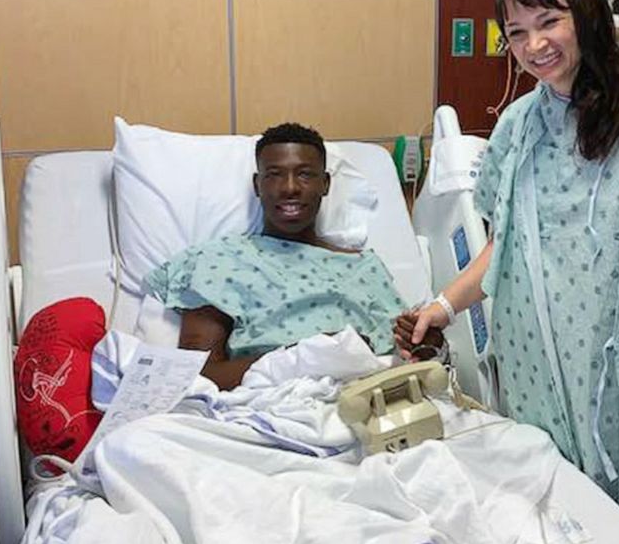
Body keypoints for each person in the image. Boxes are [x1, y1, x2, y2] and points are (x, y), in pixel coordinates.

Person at [397, 0, 619, 544]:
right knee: (563, 520)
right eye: (516, 32)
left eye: (549, 21)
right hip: (542, 365)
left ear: (585, 14)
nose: (535, 44)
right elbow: (501, 249)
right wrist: (443, 307)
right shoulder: (518, 128)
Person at [147, 122, 443, 390]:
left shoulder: (363, 267)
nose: (290, 188)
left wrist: (426, 344)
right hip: (261, 406)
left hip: (367, 406)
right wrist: (305, 357)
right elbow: (195, 377)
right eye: (275, 175)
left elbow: (408, 359)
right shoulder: (220, 260)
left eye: (304, 174)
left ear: (325, 184)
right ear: (257, 185)